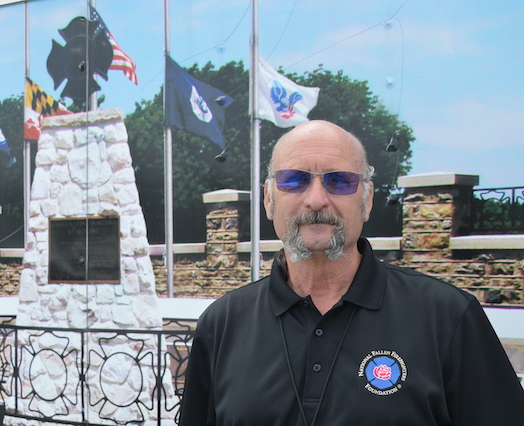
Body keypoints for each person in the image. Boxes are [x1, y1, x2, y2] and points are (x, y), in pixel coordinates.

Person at [178, 120, 524, 426]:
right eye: (294, 180)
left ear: (367, 199)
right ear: (269, 199)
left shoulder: (448, 317)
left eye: (340, 181)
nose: (316, 199)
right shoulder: (222, 324)